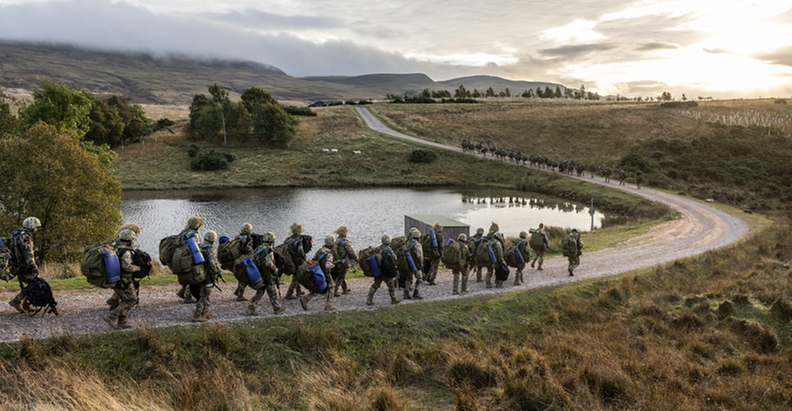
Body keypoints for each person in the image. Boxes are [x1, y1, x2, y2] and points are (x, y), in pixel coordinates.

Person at [103, 229, 141, 329]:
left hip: (116, 279)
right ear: (130, 240)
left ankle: (122, 322)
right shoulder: (125, 251)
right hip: (124, 281)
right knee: (132, 299)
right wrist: (137, 268)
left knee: (125, 299)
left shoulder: (116, 247)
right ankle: (111, 316)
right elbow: (126, 266)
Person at [7, 217, 42, 314]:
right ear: (31, 227)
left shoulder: (17, 235)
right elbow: (28, 255)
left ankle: (27, 304)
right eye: (36, 227)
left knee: (31, 283)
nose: (36, 229)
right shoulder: (25, 238)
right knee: (35, 283)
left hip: (17, 265)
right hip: (25, 266)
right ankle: (17, 301)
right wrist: (34, 268)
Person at [246, 232, 285, 316]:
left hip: (259, 274)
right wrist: (275, 269)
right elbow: (268, 263)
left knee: (260, 292)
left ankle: (251, 308)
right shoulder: (268, 250)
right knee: (272, 292)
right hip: (267, 275)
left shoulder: (258, 248)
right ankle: (277, 308)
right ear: (271, 241)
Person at [300, 236, 337, 311]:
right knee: (332, 286)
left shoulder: (320, 251)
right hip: (325, 274)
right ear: (332, 244)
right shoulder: (329, 254)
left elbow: (314, 259)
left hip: (318, 272)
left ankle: (306, 299)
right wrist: (333, 265)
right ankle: (328, 305)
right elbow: (327, 266)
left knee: (321, 287)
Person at [192, 230, 221, 322]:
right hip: (207, 276)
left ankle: (205, 312)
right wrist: (216, 271)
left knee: (201, 292)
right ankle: (197, 315)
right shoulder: (210, 249)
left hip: (198, 274)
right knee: (204, 295)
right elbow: (212, 263)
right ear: (213, 239)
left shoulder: (198, 246)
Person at [175, 215, 204, 304]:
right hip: (191, 258)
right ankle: (188, 296)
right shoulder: (194, 234)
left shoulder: (184, 232)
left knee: (188, 275)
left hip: (183, 257)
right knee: (194, 276)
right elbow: (197, 248)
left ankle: (182, 291)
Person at [366, 235, 401, 306]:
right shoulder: (388, 250)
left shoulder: (378, 248)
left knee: (375, 285)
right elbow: (394, 258)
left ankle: (369, 299)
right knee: (391, 285)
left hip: (378, 270)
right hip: (386, 271)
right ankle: (393, 299)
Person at [232, 222, 256, 302]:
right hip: (244, 260)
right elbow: (249, 251)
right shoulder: (248, 239)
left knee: (241, 276)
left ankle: (237, 291)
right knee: (245, 277)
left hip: (236, 259)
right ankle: (240, 295)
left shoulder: (238, 237)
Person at [330, 225, 357, 297]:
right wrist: (356, 258)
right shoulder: (345, 242)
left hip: (336, 261)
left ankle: (345, 288)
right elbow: (351, 251)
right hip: (343, 261)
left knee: (342, 274)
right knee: (341, 276)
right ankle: (334, 290)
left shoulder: (336, 241)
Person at [284, 222, 308, 299]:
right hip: (297, 261)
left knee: (296, 275)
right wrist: (304, 257)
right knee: (296, 277)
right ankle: (289, 293)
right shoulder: (298, 241)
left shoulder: (288, 239)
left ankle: (298, 291)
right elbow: (300, 252)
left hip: (290, 260)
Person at [402, 228, 424, 300]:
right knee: (419, 278)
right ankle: (416, 293)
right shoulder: (418, 245)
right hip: (415, 264)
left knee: (409, 278)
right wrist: (421, 263)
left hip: (408, 263)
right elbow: (419, 256)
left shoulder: (408, 243)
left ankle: (406, 293)